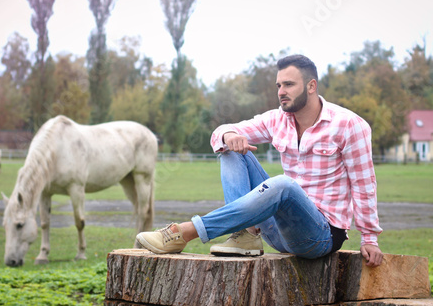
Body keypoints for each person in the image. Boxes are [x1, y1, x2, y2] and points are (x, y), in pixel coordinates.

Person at [136, 54, 384, 267]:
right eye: (278, 86)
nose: (281, 92)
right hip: (277, 231)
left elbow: (364, 185)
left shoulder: (350, 124)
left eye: (288, 84)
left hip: (319, 236)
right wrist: (229, 135)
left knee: (284, 185)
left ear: (311, 86)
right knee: (230, 149)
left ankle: (185, 232)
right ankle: (244, 234)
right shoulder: (278, 119)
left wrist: (369, 238)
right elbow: (221, 131)